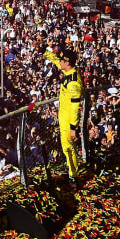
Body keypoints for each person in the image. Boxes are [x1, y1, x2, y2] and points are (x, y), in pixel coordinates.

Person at [43, 44, 85, 183]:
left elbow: (75, 108)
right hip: (63, 116)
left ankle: (74, 175)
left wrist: (73, 127)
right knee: (66, 147)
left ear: (67, 62)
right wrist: (45, 52)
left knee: (68, 147)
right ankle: (72, 170)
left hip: (68, 120)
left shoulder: (74, 84)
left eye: (62, 61)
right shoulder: (69, 70)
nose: (59, 62)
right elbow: (56, 59)